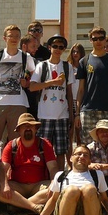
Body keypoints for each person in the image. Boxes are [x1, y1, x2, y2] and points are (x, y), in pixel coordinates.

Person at [0, 113, 59, 214]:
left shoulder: (44, 144)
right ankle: (33, 207)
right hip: (17, 186)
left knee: (58, 188)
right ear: (19, 130)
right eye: (24, 127)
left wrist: (53, 182)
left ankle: (18, 205)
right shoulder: (11, 146)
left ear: (36, 129)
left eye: (31, 126)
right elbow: (2, 169)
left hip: (39, 186)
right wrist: (5, 185)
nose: (28, 128)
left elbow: (53, 168)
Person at [0, 24, 36, 154]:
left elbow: (34, 78)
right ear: (4, 38)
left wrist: (27, 82)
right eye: (11, 36)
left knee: (17, 141)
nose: (14, 39)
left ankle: (15, 172)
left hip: (19, 104)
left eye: (17, 36)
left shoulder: (26, 57)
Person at [29, 34, 75, 170]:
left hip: (62, 115)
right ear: (49, 47)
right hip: (45, 116)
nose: (58, 49)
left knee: (61, 151)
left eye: (61, 47)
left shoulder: (67, 67)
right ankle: (45, 178)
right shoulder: (42, 66)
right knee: (43, 151)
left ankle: (59, 179)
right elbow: (32, 87)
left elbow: (70, 93)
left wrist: (72, 115)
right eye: (55, 46)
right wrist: (53, 82)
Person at [75, 27, 108, 144]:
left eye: (101, 38)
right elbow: (81, 90)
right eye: (95, 38)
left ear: (105, 39)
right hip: (88, 111)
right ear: (90, 40)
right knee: (87, 147)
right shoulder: (84, 61)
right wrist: (77, 113)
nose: (98, 41)